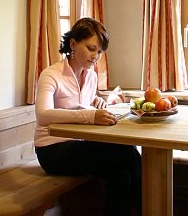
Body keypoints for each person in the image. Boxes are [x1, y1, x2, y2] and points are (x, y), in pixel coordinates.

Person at [34, 17, 141, 216]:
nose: (95, 56)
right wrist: (89, 116)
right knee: (127, 151)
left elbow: (82, 101)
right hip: (52, 150)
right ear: (73, 44)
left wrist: (96, 102)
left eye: (99, 52)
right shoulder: (51, 75)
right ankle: (146, 210)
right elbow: (43, 115)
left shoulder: (90, 75)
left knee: (121, 175)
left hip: (79, 145)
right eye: (91, 48)